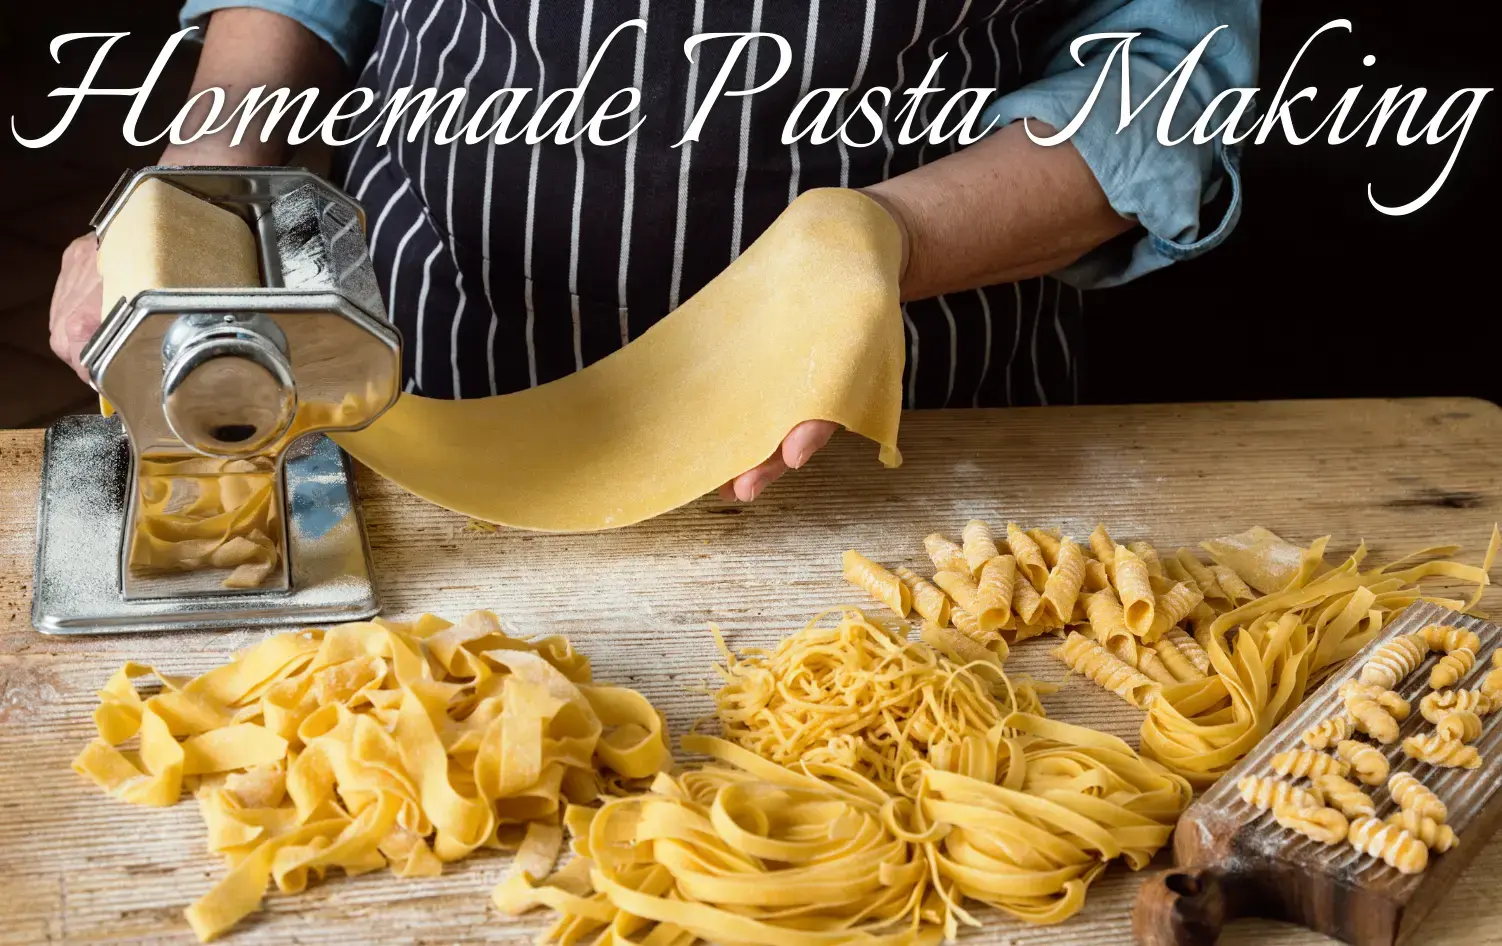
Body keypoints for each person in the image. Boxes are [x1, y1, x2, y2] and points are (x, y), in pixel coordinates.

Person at [49, 0, 1257, 501]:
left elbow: (1162, 77)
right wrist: (205, 187)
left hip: (903, 421)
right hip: (434, 367)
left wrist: (874, 242)